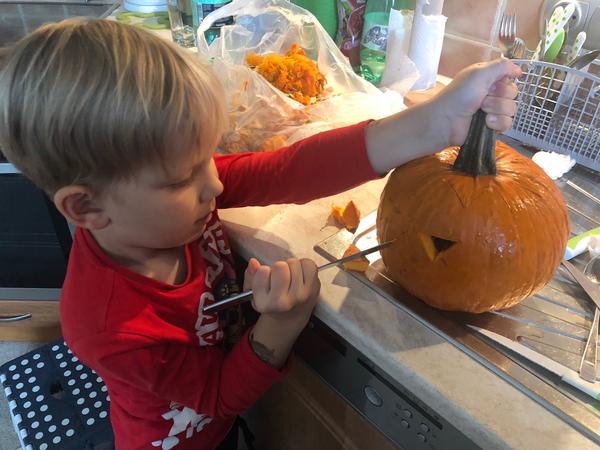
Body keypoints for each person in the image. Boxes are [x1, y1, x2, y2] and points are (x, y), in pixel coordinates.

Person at [0, 18, 521, 450]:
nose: (215, 183)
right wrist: (282, 322)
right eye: (182, 178)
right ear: (87, 207)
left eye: (207, 157)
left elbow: (287, 170)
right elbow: (217, 395)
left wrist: (436, 123)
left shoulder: (167, 208)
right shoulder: (107, 324)